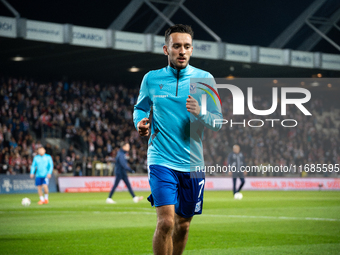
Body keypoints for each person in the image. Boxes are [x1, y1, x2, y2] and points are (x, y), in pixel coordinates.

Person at [133, 24, 222, 255]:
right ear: (166, 50)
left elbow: (218, 122)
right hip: (160, 158)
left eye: (186, 46)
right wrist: (140, 123)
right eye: (176, 46)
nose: (182, 51)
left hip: (192, 163)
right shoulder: (151, 79)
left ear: (192, 50)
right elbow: (140, 108)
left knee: (183, 225)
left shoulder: (205, 79)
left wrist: (200, 112)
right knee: (166, 222)